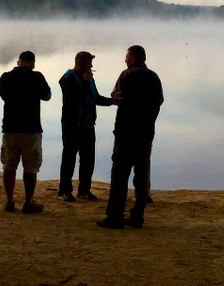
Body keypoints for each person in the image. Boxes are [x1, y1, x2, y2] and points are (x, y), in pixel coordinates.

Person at [97, 44, 163, 229]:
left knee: (119, 176)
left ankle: (115, 217)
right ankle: (137, 216)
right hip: (146, 133)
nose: (125, 60)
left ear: (133, 59)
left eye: (127, 57)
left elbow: (117, 97)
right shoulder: (154, 77)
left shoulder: (127, 76)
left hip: (126, 133)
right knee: (141, 176)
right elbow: (159, 100)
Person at [0, 50, 52, 213]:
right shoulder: (37, 77)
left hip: (10, 127)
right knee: (30, 167)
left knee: (9, 165)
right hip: (31, 128)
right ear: (33, 64)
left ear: (18, 62)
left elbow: (3, 96)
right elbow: (47, 95)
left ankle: (9, 200)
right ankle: (28, 202)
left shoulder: (6, 77)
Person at [57, 51, 113, 202]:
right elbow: (75, 97)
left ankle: (84, 190)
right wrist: (87, 82)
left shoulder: (88, 79)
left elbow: (95, 98)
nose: (91, 66)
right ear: (80, 63)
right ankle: (64, 191)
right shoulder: (68, 78)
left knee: (88, 159)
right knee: (69, 158)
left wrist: (113, 101)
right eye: (89, 63)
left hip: (88, 125)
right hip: (72, 125)